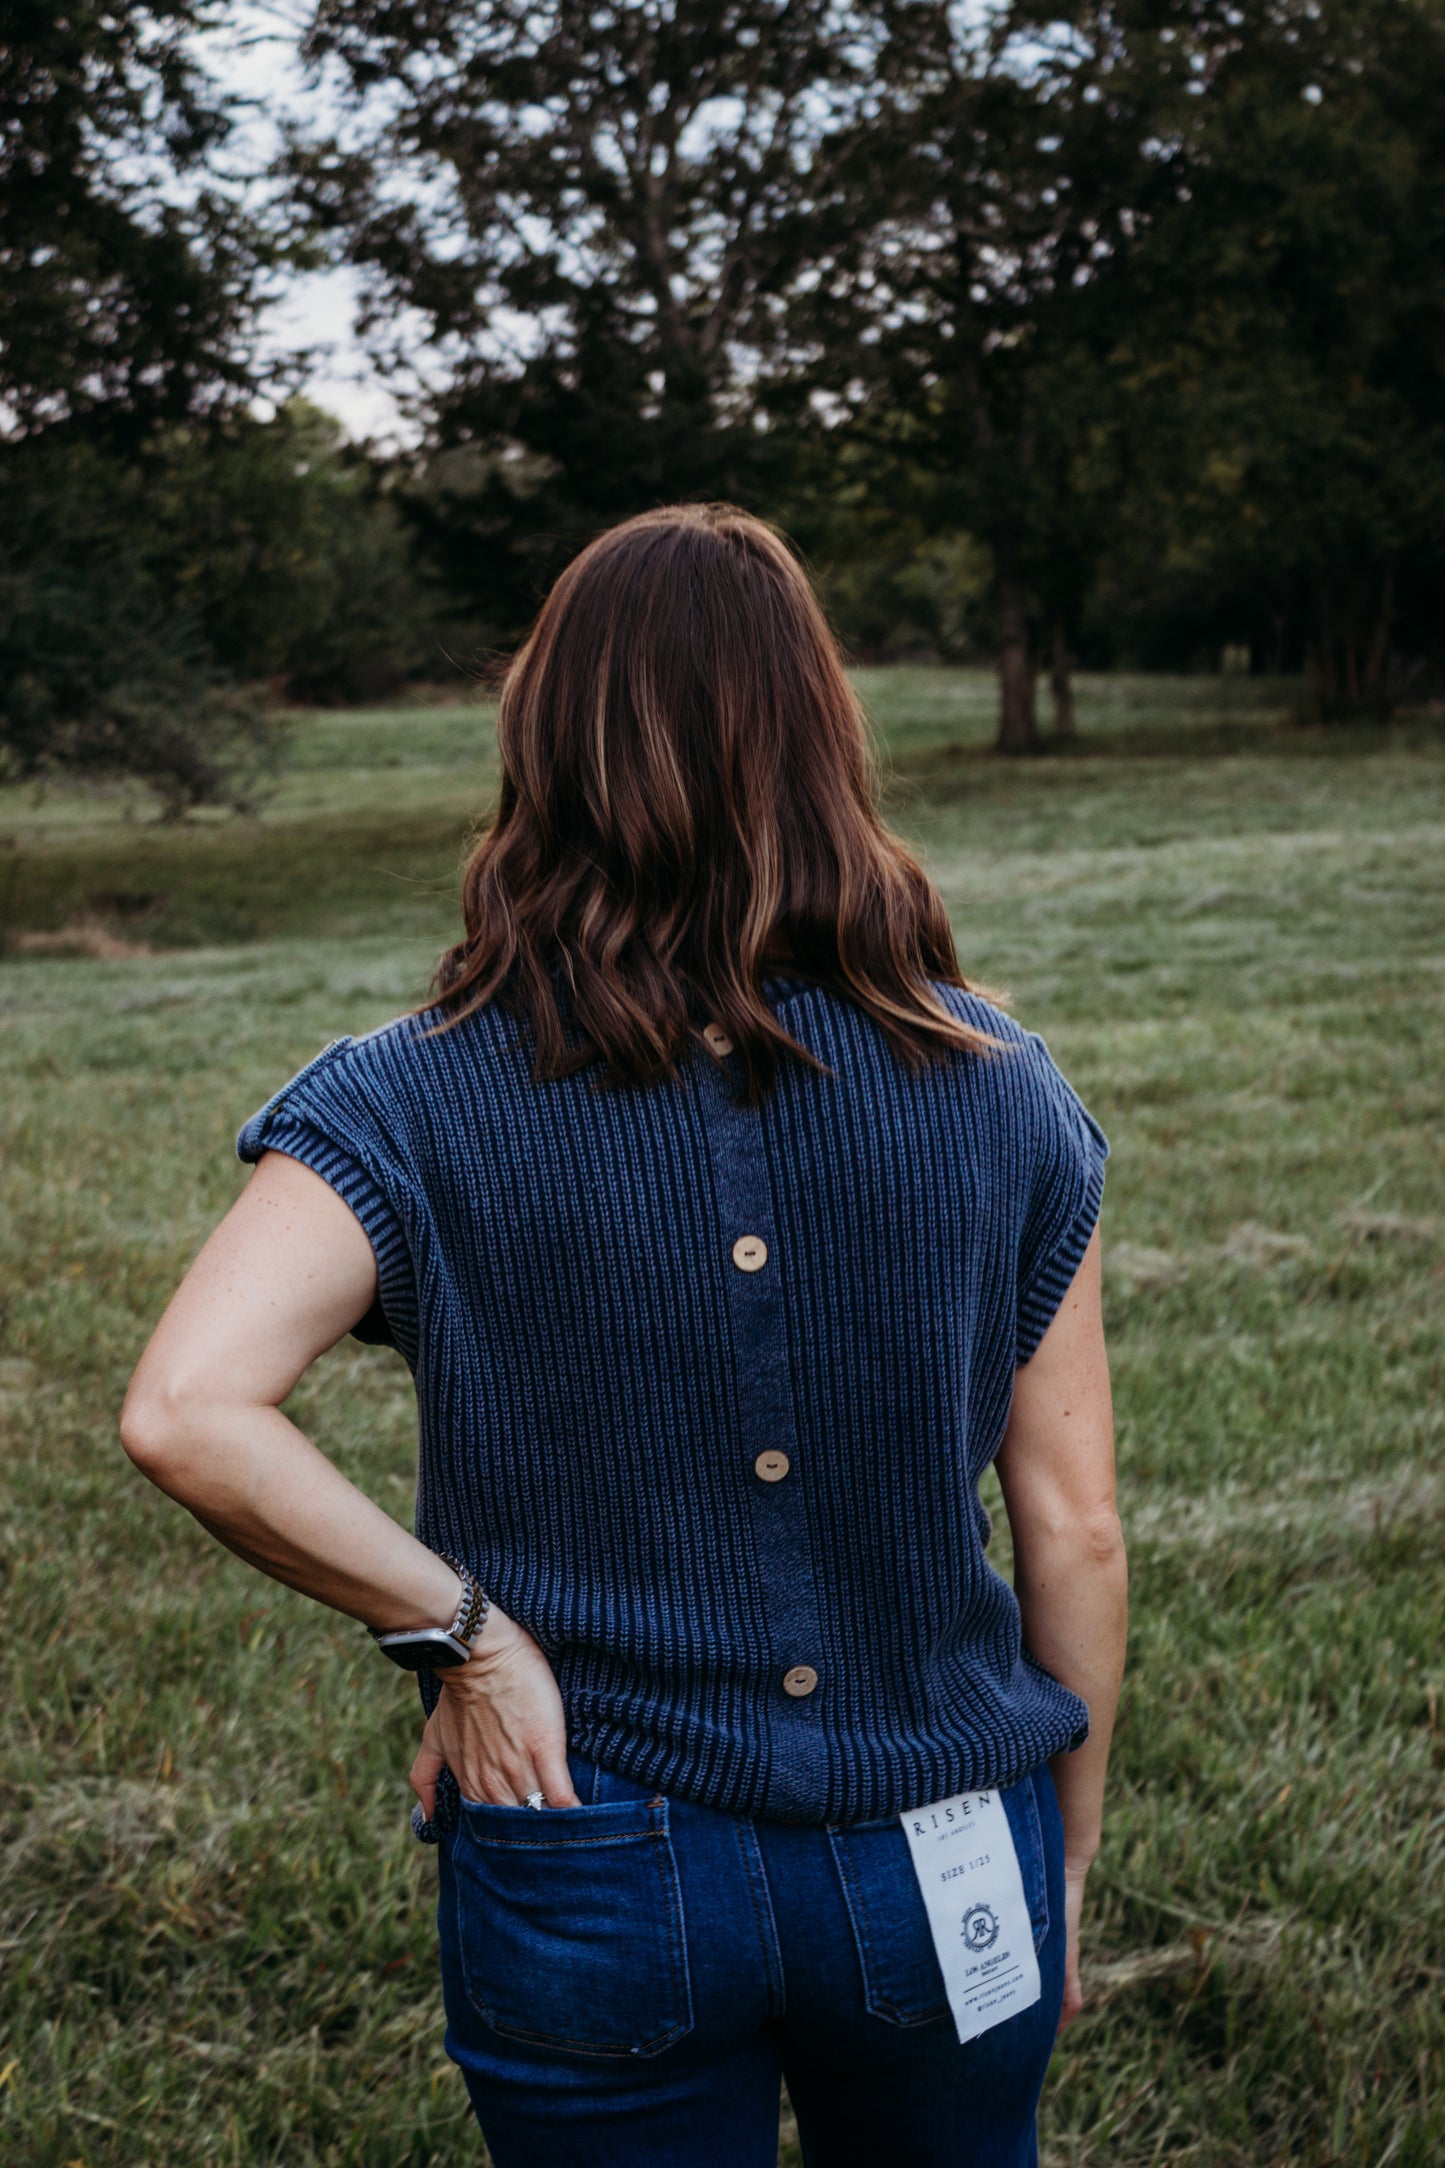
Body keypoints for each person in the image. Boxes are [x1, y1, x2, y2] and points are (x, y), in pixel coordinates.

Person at [121, 503, 1127, 2168]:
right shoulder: (1003, 1089)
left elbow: (184, 1409)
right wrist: (1065, 1855)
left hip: (583, 1831)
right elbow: (1071, 1528)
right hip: (948, 1837)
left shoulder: (409, 1092)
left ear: (545, 743)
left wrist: (463, 1635)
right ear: (825, 740)